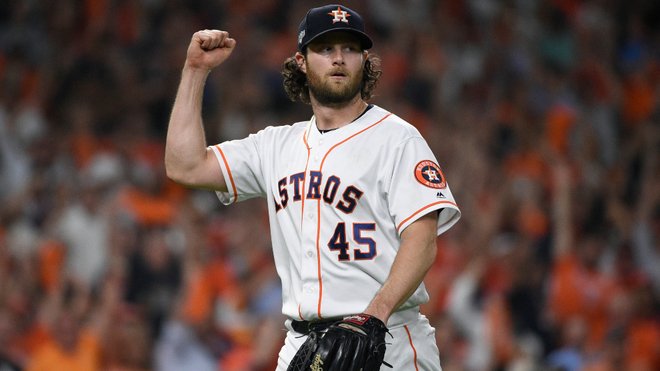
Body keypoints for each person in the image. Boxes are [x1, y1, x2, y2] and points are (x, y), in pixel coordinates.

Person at [165, 4, 460, 369]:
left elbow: (423, 240)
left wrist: (373, 316)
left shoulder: (397, 139)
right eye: (325, 49)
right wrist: (195, 71)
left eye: (350, 49)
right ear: (301, 61)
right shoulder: (275, 146)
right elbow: (185, 165)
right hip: (303, 344)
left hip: (387, 339)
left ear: (365, 60)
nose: (338, 58)